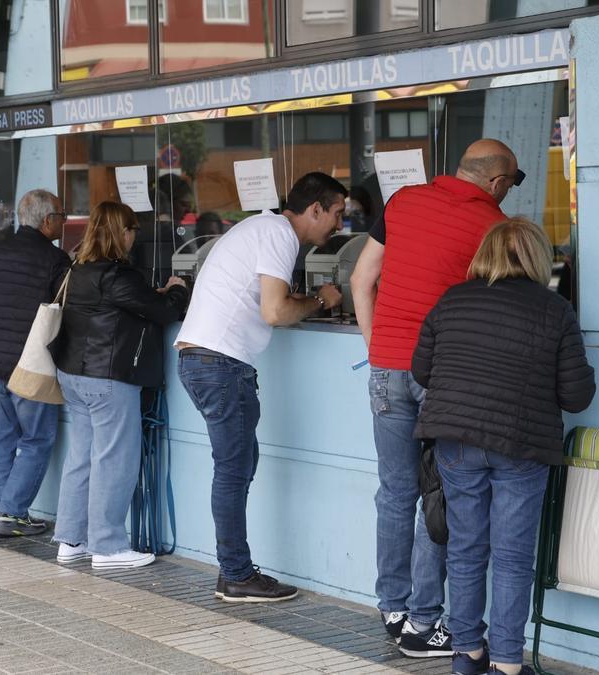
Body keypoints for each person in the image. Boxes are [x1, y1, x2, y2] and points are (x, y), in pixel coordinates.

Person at [349, 138, 521, 657]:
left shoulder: (401, 202)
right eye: (512, 184)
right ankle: (424, 624)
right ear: (496, 182)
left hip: (386, 367)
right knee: (439, 495)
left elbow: (362, 279)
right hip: (442, 375)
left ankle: (392, 607)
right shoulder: (493, 226)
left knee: (394, 492)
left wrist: (379, 348)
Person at [411, 218, 595, 675]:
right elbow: (577, 396)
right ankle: (507, 665)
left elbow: (421, 371)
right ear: (535, 257)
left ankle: (467, 655)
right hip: (520, 446)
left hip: (456, 442)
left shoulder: (452, 300)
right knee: (512, 558)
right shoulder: (554, 311)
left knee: (466, 550)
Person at [174, 172, 345, 602]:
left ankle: (233, 570)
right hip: (220, 364)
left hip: (207, 360)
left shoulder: (259, 227)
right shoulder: (279, 233)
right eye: (337, 214)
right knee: (233, 471)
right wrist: (323, 300)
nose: (340, 225)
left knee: (238, 464)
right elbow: (275, 310)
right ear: (315, 210)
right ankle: (236, 574)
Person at [49, 201, 190, 569]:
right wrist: (176, 290)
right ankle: (108, 546)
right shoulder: (118, 276)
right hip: (107, 378)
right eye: (132, 231)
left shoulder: (75, 270)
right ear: (122, 232)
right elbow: (163, 312)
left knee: (81, 457)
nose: (133, 238)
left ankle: (71, 539)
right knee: (114, 460)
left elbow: (129, 307)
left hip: (73, 374)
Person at [0, 189, 70, 537]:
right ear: (46, 220)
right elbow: (64, 311)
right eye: (61, 215)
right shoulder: (55, 261)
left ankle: (4, 511)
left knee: (2, 439)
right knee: (37, 439)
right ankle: (11, 513)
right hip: (30, 366)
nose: (64, 221)